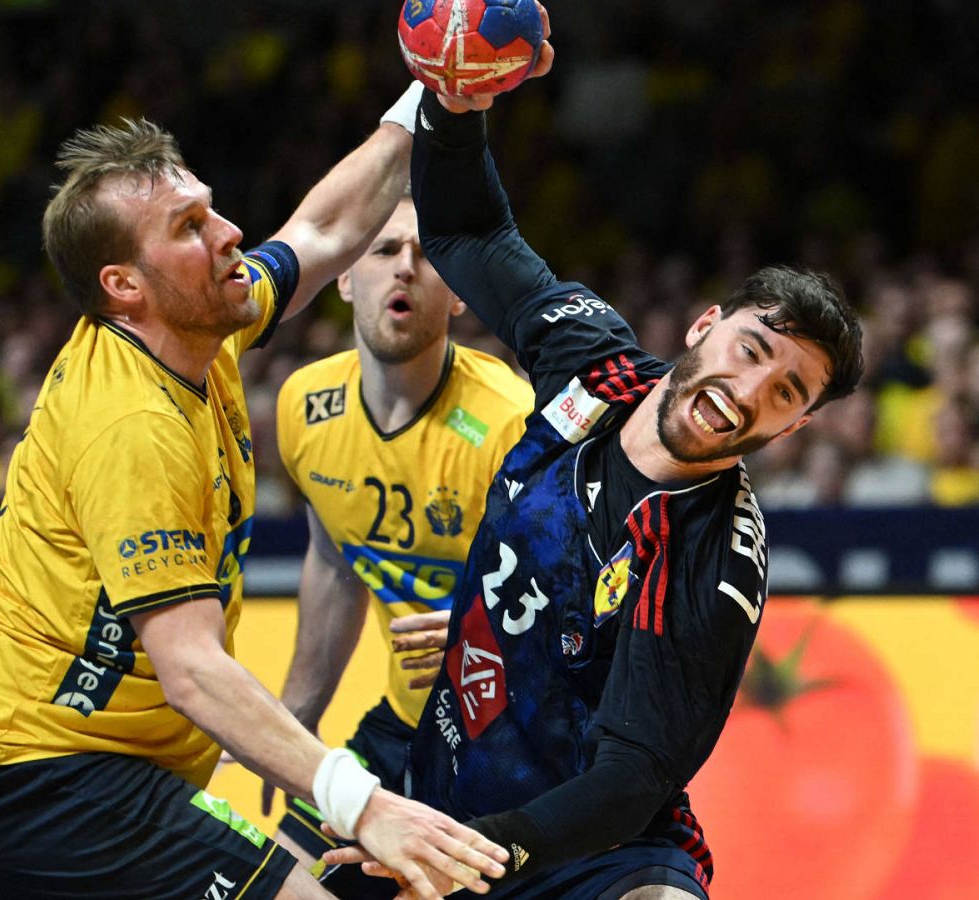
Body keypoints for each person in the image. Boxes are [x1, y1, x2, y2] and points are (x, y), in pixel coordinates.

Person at [0, 93, 511, 900]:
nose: (229, 237)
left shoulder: (197, 326)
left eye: (211, 212)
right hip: (24, 787)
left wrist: (427, 96)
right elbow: (191, 668)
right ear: (123, 285)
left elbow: (320, 234)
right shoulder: (131, 424)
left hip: (39, 785)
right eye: (189, 228)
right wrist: (364, 806)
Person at [323, 72, 865, 900]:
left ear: (792, 429)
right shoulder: (594, 362)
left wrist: (477, 852)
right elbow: (469, 231)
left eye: (787, 392)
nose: (752, 391)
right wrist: (456, 105)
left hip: (583, 849)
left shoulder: (715, 560)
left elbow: (632, 778)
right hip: (441, 786)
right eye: (754, 351)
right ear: (704, 327)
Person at [265, 194, 534, 869]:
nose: (406, 268)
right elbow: (333, 561)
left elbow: (580, 598)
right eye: (383, 250)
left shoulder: (510, 422)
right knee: (281, 877)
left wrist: (483, 626)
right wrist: (295, 720)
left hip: (526, 738)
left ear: (460, 294)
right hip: (406, 726)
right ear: (346, 279)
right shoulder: (304, 406)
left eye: (429, 254)